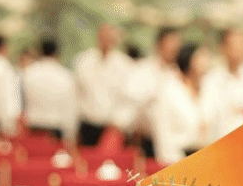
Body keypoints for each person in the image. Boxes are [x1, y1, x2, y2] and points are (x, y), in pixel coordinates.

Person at [201, 28, 243, 141]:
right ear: (222, 48)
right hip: (223, 143)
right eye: (234, 46)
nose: (238, 50)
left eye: (242, 45)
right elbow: (207, 117)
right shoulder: (211, 80)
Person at [122, 26, 182, 157]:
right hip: (144, 139)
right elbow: (130, 98)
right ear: (159, 44)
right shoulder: (142, 69)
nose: (174, 49)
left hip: (172, 142)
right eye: (170, 43)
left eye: (177, 45)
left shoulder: (179, 74)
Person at [153, 43, 215, 164]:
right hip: (177, 159)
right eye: (201, 57)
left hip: (206, 159)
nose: (206, 61)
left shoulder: (210, 89)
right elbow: (163, 135)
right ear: (189, 60)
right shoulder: (168, 91)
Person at [74, 23, 134, 147]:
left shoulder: (124, 64)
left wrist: (119, 124)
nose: (106, 40)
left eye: (109, 37)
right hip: (87, 124)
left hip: (111, 128)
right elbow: (77, 94)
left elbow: (128, 100)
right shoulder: (84, 61)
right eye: (103, 36)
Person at [21, 37, 78, 143]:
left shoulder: (28, 74)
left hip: (33, 129)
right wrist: (70, 135)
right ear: (57, 53)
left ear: (40, 52)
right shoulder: (65, 76)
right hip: (55, 131)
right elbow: (70, 109)